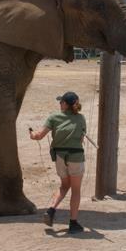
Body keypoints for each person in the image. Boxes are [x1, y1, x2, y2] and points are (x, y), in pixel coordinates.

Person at [29, 91, 87, 234]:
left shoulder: (54, 117)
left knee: (64, 185)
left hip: (60, 157)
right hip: (76, 156)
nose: (59, 103)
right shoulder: (81, 118)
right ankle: (73, 223)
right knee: (76, 190)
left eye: (61, 102)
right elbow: (80, 140)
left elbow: (39, 136)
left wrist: (31, 134)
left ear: (65, 104)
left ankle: (51, 209)